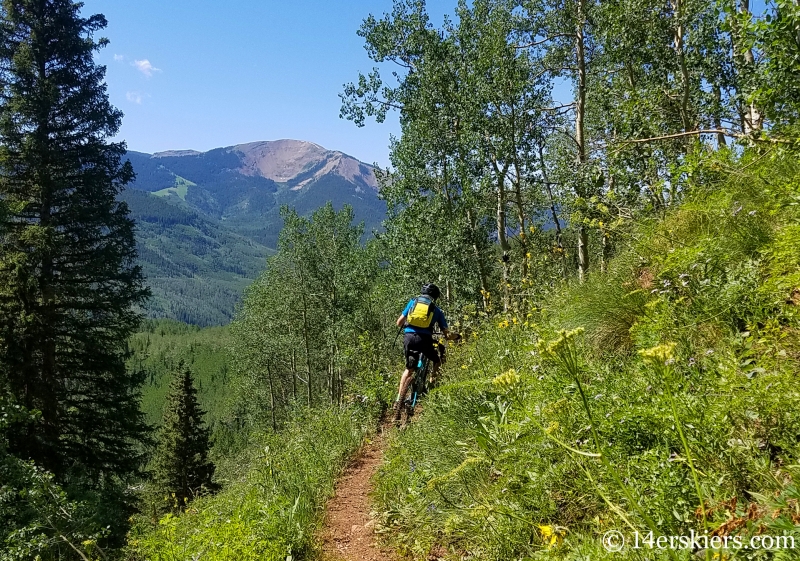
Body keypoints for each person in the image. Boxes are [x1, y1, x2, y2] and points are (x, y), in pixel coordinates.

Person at [393, 283, 459, 421]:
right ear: (435, 297)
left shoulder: (412, 302)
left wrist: (408, 325)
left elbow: (399, 323)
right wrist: (457, 336)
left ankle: (398, 399)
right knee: (437, 360)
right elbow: (447, 335)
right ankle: (431, 384)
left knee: (409, 369)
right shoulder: (437, 310)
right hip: (425, 340)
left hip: (409, 338)